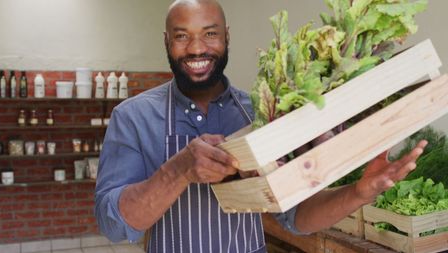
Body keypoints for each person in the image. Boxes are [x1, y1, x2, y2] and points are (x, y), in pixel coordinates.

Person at [94, 0, 427, 252]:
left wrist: (358, 193)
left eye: (210, 34)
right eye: (182, 36)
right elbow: (114, 225)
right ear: (167, 41)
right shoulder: (132, 116)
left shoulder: (259, 115)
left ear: (226, 37)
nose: (196, 48)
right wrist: (179, 169)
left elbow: (296, 218)